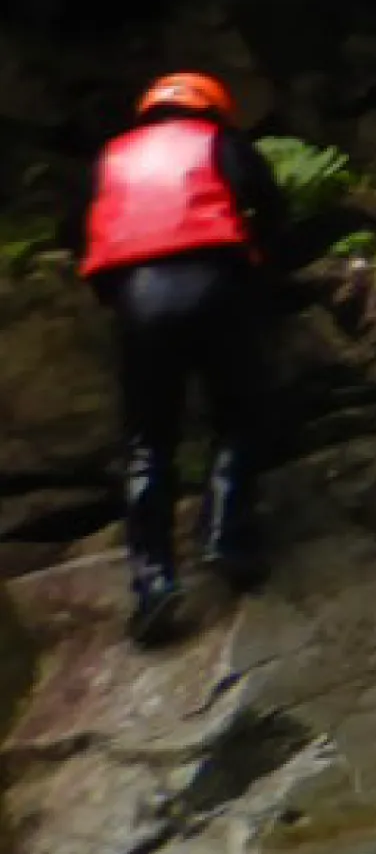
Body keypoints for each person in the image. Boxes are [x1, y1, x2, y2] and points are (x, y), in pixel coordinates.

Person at [78, 70, 290, 643]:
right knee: (241, 418)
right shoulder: (221, 143)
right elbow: (266, 209)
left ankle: (153, 584)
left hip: (138, 297)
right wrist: (265, 271)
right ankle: (225, 534)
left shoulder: (112, 157)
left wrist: (116, 297)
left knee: (148, 446)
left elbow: (88, 230)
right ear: (213, 107)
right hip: (215, 279)